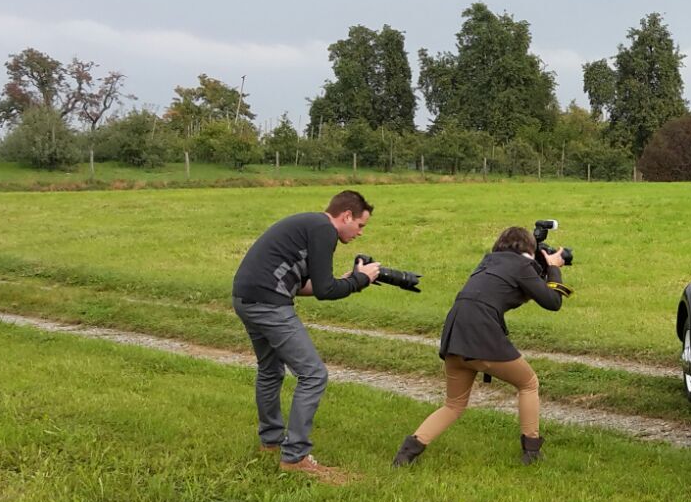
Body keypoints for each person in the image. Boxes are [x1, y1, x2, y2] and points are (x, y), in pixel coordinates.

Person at [231, 190, 381, 480]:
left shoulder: (309, 226)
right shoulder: (324, 229)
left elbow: (304, 285)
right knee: (313, 374)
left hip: (245, 297)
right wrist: (361, 280)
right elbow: (326, 292)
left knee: (270, 370)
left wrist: (353, 280)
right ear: (346, 216)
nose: (360, 233)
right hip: (268, 303)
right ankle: (295, 456)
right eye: (360, 225)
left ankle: (271, 442)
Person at [393, 226, 568, 468]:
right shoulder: (520, 266)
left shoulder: (487, 262)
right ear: (529, 250)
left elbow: (505, 290)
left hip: (454, 332)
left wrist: (539, 267)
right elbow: (552, 302)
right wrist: (554, 268)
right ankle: (532, 451)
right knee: (528, 383)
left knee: (453, 404)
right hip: (481, 332)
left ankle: (407, 453)